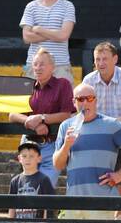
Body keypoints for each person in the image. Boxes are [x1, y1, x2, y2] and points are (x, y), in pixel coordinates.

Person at [52, 82, 121, 221]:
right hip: (73, 201)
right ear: (74, 102)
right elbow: (57, 165)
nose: (85, 102)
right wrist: (66, 145)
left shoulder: (111, 124)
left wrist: (120, 175)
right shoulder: (66, 126)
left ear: (96, 100)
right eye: (80, 99)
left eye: (89, 98)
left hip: (102, 202)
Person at [81, 41, 121, 212]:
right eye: (97, 59)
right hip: (97, 137)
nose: (100, 63)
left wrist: (109, 125)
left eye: (105, 59)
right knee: (97, 182)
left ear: (115, 59)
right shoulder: (88, 80)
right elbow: (83, 111)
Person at [8, 49, 73, 188]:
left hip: (52, 144)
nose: (38, 68)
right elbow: (12, 115)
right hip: (29, 144)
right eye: (35, 64)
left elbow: (66, 114)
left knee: (45, 187)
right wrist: (31, 123)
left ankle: (45, 210)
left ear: (52, 67)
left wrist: (42, 118)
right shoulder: (27, 85)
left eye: (42, 64)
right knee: (28, 188)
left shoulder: (63, 84)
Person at [19, 0, 77, 79]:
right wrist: (55, 34)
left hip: (60, 66)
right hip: (35, 66)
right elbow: (26, 37)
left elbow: (64, 35)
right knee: (34, 97)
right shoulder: (31, 6)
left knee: (63, 97)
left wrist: (40, 30)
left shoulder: (68, 6)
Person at [8, 139, 55, 220]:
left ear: (39, 158)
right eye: (24, 156)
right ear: (19, 158)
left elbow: (48, 207)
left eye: (31, 156)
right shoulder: (15, 181)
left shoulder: (44, 180)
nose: (27, 159)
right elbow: (11, 207)